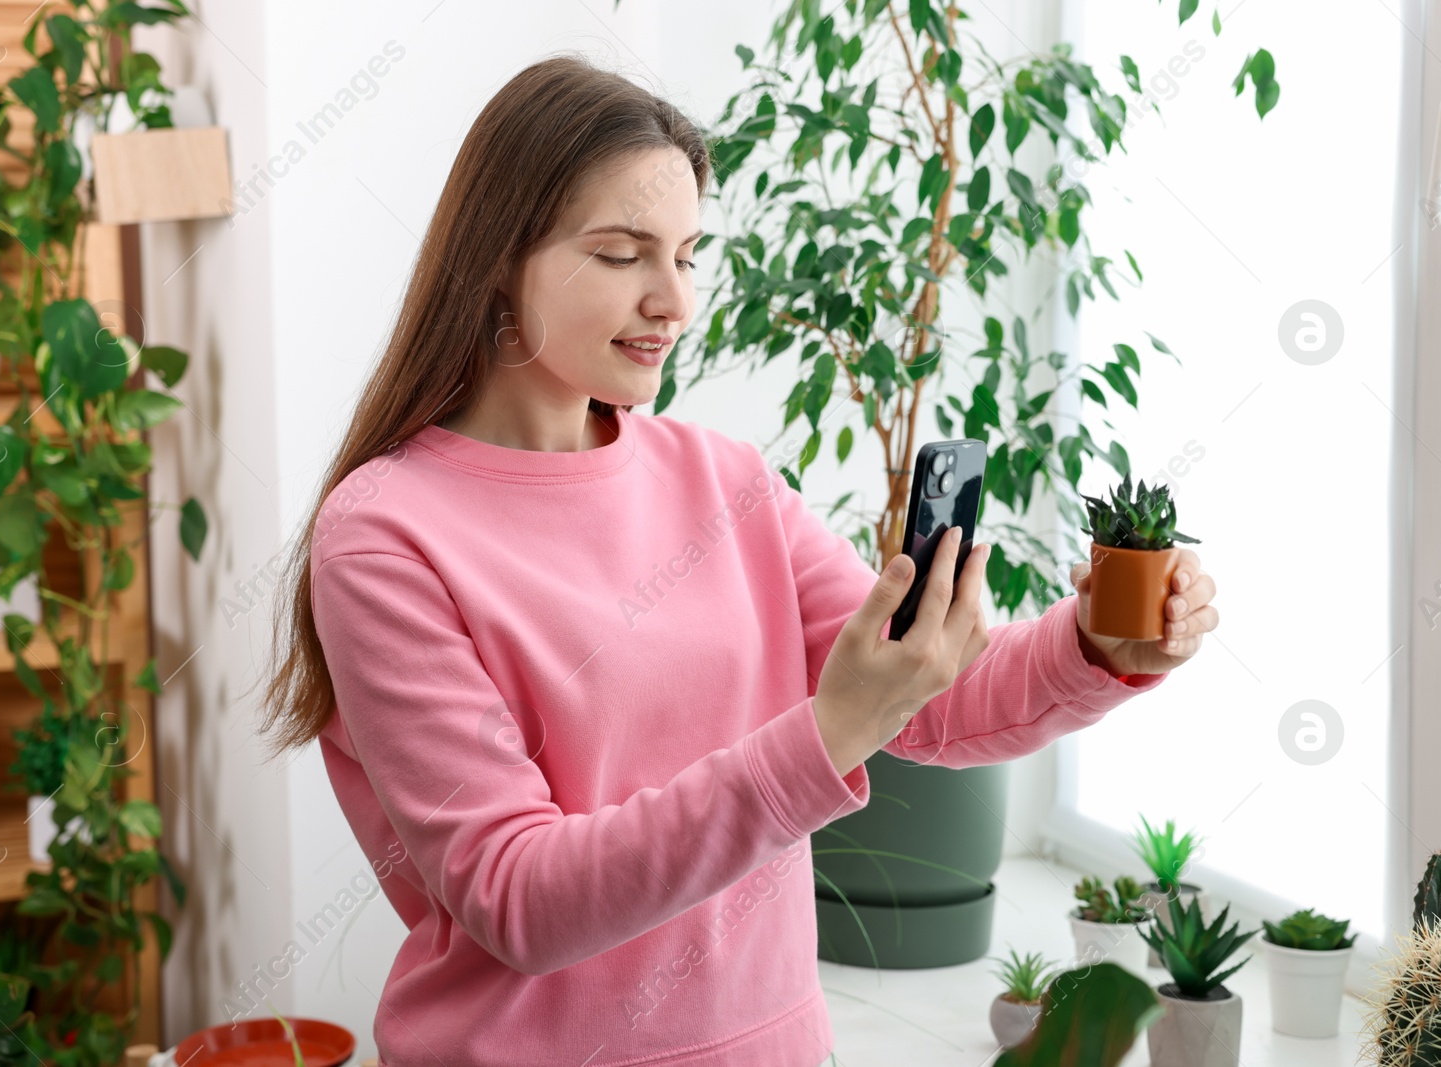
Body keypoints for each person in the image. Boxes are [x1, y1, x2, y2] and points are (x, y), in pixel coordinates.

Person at [261, 52, 1218, 1067]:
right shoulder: (385, 532)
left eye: (686, 254)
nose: (673, 300)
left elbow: (934, 699)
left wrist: (1095, 645)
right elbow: (519, 897)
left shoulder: (725, 483)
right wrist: (827, 730)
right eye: (624, 254)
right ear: (500, 256)